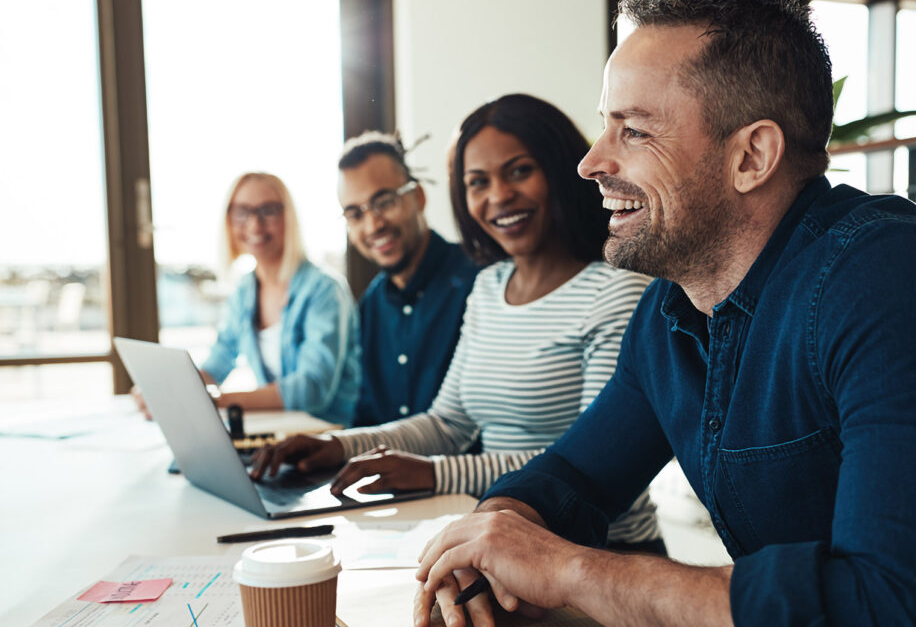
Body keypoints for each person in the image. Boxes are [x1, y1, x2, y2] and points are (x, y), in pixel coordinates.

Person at [412, 0, 916, 627]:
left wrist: (566, 570)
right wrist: (492, 539)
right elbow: (573, 476)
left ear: (751, 157)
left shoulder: (901, 284)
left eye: (633, 131)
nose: (591, 161)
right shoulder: (672, 310)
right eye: (607, 126)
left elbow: (886, 619)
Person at [250, 94, 662, 578]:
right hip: (505, 539)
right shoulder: (489, 286)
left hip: (603, 558)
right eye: (477, 182)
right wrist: (340, 446)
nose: (498, 196)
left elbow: (589, 459)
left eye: (519, 171)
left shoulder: (616, 289)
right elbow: (449, 423)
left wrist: (432, 473)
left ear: (558, 170)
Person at [173, 172, 360, 425]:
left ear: (289, 217)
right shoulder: (245, 290)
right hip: (279, 433)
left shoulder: (325, 289)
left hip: (328, 437)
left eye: (268, 211)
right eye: (242, 211)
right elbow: (220, 358)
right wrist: (175, 392)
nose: (254, 225)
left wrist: (217, 402)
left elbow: (312, 389)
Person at [337, 131, 479, 427]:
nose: (373, 224)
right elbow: (366, 417)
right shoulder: (369, 306)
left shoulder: (479, 283)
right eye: (355, 214)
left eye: (385, 202)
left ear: (418, 197)